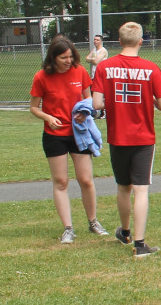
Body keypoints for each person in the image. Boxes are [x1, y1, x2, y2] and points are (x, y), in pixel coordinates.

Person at [91, 21, 161, 258]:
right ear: (140, 42)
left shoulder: (105, 67)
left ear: (119, 42)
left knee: (123, 187)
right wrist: (151, 100)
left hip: (118, 136)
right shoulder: (151, 68)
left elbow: (96, 104)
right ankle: (140, 244)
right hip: (143, 137)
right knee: (141, 189)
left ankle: (125, 232)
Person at [29, 36, 108, 243]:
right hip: (54, 136)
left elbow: (89, 99)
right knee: (61, 182)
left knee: (85, 180)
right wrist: (48, 117)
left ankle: (93, 222)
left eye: (71, 57)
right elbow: (33, 107)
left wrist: (85, 112)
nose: (68, 61)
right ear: (53, 58)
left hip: (79, 133)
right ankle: (68, 228)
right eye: (63, 57)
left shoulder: (80, 72)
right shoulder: (41, 77)